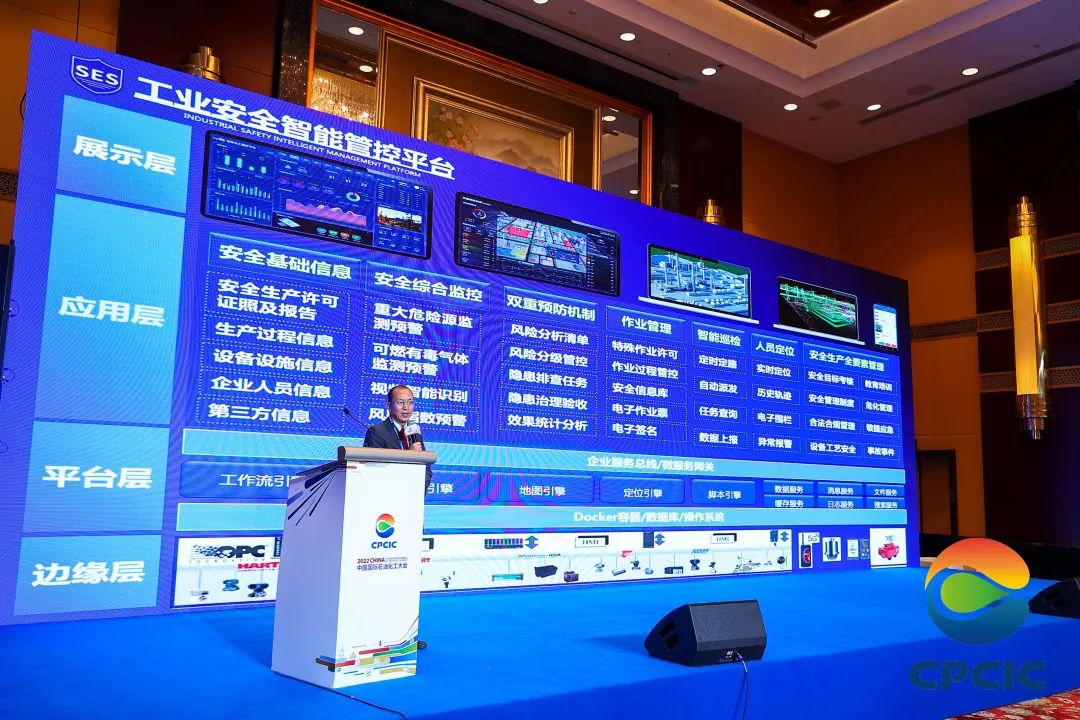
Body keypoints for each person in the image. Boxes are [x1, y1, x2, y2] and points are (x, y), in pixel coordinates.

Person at [362, 384, 431, 652]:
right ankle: (376, 633)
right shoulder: (376, 432)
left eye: (410, 402)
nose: (406, 407)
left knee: (407, 576)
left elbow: (425, 468)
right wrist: (409, 458)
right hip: (385, 518)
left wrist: (415, 491)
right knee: (383, 575)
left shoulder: (415, 432)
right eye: (401, 402)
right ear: (389, 405)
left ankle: (405, 635)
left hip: (409, 512)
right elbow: (374, 471)